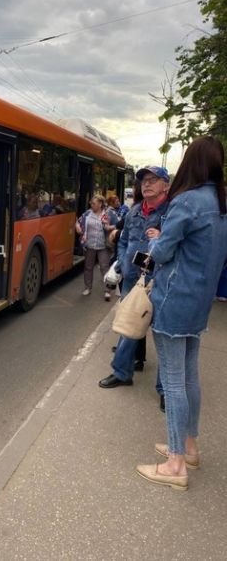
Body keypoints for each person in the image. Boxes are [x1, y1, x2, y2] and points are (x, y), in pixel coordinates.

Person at [136, 136, 227, 491]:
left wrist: (157, 239)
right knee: (189, 377)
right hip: (200, 301)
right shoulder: (220, 203)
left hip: (174, 297)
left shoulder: (186, 201)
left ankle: (174, 465)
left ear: (190, 162)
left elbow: (160, 253)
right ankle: (188, 446)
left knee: (173, 381)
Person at [99, 166, 169, 389]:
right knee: (128, 328)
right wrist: (122, 261)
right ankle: (122, 373)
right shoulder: (135, 211)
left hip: (160, 282)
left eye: (153, 179)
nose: (146, 184)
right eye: (143, 180)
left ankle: (165, 390)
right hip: (132, 279)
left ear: (166, 185)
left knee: (164, 336)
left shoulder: (172, 212)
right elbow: (122, 239)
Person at [76, 194, 114, 300]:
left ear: (100, 204)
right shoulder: (88, 213)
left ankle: (107, 291)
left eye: (94, 203)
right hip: (89, 245)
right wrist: (78, 227)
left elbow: (111, 226)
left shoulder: (106, 215)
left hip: (102, 245)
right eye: (91, 203)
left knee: (104, 267)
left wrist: (112, 227)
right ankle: (88, 287)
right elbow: (78, 221)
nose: (91, 205)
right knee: (88, 267)